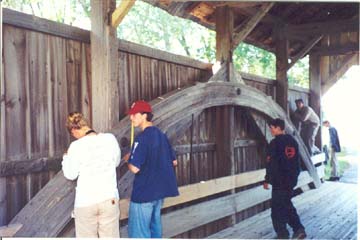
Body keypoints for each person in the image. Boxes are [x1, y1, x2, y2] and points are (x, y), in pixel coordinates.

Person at [124, 100, 179, 238]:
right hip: (159, 195)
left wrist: (128, 159)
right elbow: (174, 161)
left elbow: (135, 168)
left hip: (143, 195)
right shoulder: (162, 135)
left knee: (139, 235)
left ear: (144, 115)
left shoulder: (141, 138)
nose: (131, 118)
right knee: (155, 232)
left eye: (134, 115)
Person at [62, 112, 121, 238]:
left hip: (86, 202)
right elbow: (116, 162)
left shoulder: (76, 146)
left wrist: (66, 157)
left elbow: (70, 174)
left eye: (72, 134)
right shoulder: (110, 139)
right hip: (108, 198)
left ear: (74, 130)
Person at [263, 118, 307, 239]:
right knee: (286, 205)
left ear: (278, 128)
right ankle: (298, 230)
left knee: (277, 210)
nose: (271, 130)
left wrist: (267, 179)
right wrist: (293, 179)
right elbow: (296, 164)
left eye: (272, 128)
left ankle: (283, 234)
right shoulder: (292, 141)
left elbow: (270, 164)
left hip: (279, 182)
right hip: (290, 180)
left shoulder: (274, 143)